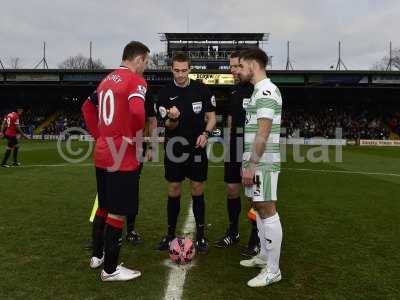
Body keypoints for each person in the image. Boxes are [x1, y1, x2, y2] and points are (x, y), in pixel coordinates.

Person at [81, 41, 149, 282]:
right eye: (146, 62)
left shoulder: (105, 80)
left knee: (103, 206)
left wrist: (100, 135)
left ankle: (97, 256)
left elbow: (86, 107)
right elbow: (138, 112)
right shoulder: (135, 81)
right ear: (138, 58)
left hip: (102, 152)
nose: (145, 68)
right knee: (118, 213)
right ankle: (110, 270)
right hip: (121, 155)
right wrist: (137, 141)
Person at [156, 52, 216, 254]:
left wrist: (206, 133)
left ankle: (201, 237)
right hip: (175, 149)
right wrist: (173, 119)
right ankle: (170, 234)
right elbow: (168, 126)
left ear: (190, 69)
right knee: (173, 189)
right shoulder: (164, 93)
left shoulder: (201, 89)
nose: (180, 74)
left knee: (197, 189)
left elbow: (212, 118)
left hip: (197, 148)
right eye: (176, 70)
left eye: (184, 70)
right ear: (171, 69)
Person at [237, 48, 283, 287]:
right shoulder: (257, 91)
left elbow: (263, 133)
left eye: (242, 66)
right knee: (258, 206)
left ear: (253, 65)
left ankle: (273, 270)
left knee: (267, 209)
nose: (239, 71)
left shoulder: (266, 90)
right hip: (256, 162)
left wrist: (252, 163)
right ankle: (264, 256)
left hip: (262, 163)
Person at [213, 52, 260, 256]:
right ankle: (233, 232)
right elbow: (231, 120)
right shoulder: (234, 92)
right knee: (232, 189)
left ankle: (256, 237)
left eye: (236, 66)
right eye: (231, 66)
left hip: (251, 147)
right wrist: (229, 143)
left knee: (254, 196)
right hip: (234, 146)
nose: (233, 70)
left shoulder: (259, 89)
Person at [125, 89, 158, 245]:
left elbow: (152, 120)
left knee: (132, 186)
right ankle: (99, 230)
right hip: (115, 144)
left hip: (138, 145)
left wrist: (151, 146)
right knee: (107, 186)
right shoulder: (116, 85)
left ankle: (130, 229)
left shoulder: (146, 92)